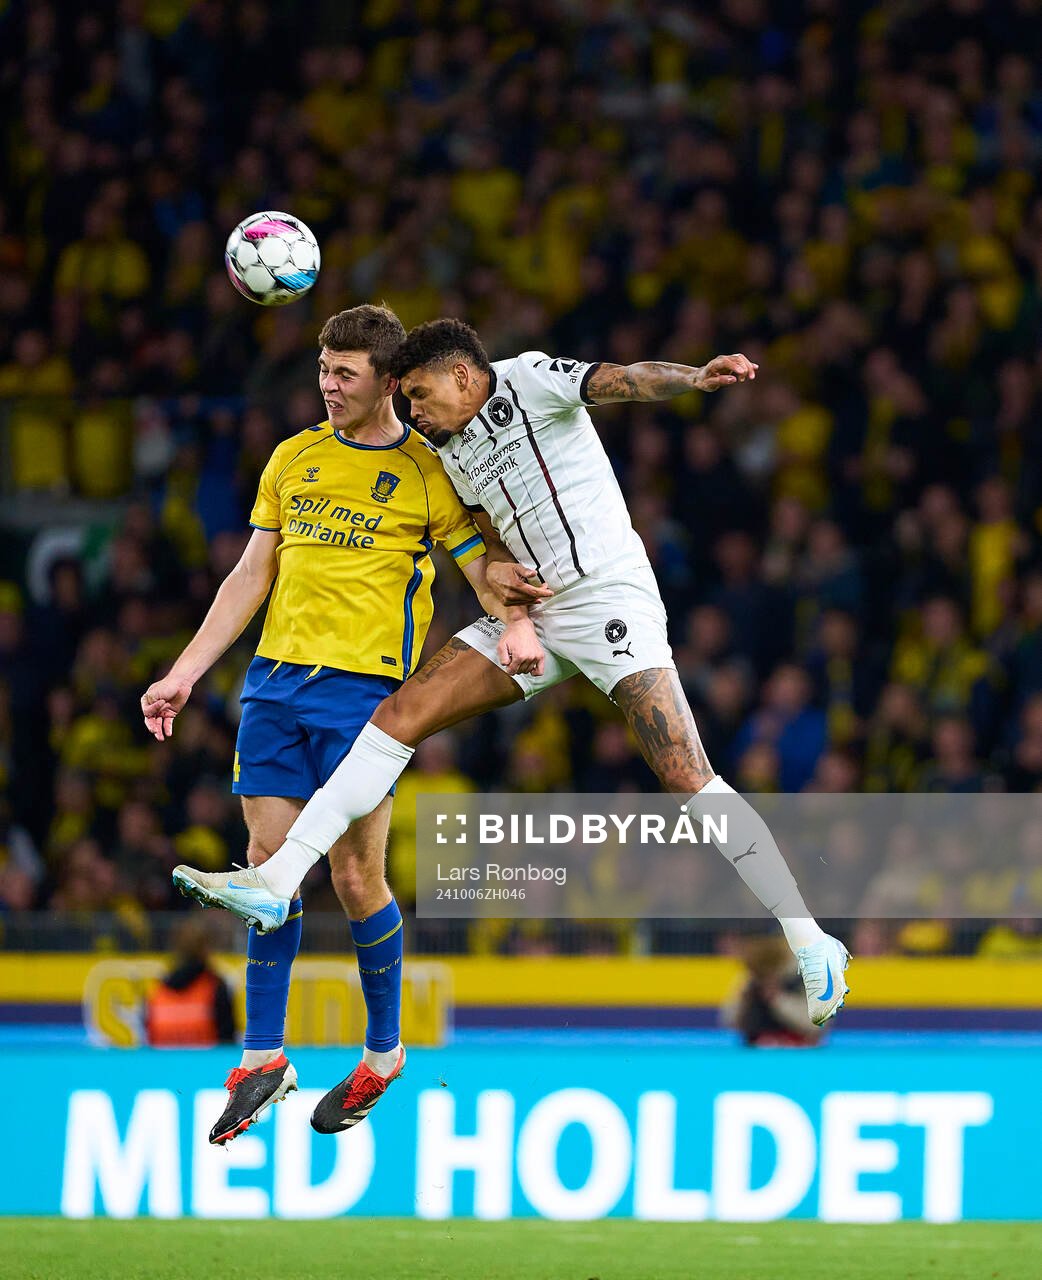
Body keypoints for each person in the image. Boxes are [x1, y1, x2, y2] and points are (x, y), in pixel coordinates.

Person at [174, 318, 849, 1042]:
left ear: (464, 376)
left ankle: (813, 942)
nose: (416, 414)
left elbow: (619, 379)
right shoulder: (443, 450)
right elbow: (487, 536)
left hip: (606, 601)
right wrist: (514, 609)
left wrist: (692, 376)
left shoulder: (529, 380)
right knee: (399, 716)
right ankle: (278, 881)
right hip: (533, 611)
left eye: (423, 396)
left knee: (687, 774)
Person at [142, 306, 542, 1145]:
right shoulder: (294, 458)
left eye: (344, 374)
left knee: (356, 880)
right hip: (273, 688)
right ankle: (262, 1058)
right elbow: (252, 573)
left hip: (365, 699)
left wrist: (513, 620)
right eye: (322, 370)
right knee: (265, 867)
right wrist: (184, 673)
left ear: (387, 380)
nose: (327, 386)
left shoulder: (428, 471)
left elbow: (477, 566)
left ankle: (384, 1052)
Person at [145, 919, 236, 1048]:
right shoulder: (216, 988)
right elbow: (227, 1043)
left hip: (163, 1066)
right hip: (207, 1066)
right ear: (206, 949)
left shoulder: (156, 991)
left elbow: (148, 1041)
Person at [720, 936, 824, 1048]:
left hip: (798, 1052)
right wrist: (745, 998)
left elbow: (816, 1025)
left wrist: (777, 998)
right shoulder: (750, 982)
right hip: (757, 1053)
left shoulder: (806, 978)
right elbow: (729, 1021)